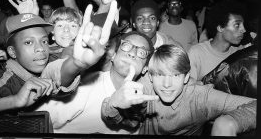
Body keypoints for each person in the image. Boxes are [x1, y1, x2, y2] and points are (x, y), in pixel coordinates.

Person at [101, 44, 256, 136]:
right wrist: (113, 104)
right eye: (160, 74)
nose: (167, 84)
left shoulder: (201, 96)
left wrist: (230, 122)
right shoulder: (145, 89)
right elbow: (120, 121)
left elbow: (254, 105)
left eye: (175, 75)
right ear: (150, 76)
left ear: (186, 77)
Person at [35, 30, 156, 134]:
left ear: (145, 68)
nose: (132, 53)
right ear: (113, 55)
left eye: (141, 52)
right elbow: (35, 122)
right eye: (126, 46)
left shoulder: (142, 100)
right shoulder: (86, 87)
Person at [188, 0, 247, 81]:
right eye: (237, 25)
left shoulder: (239, 52)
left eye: (243, 25)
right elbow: (190, 89)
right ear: (220, 28)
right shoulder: (197, 53)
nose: (244, 30)